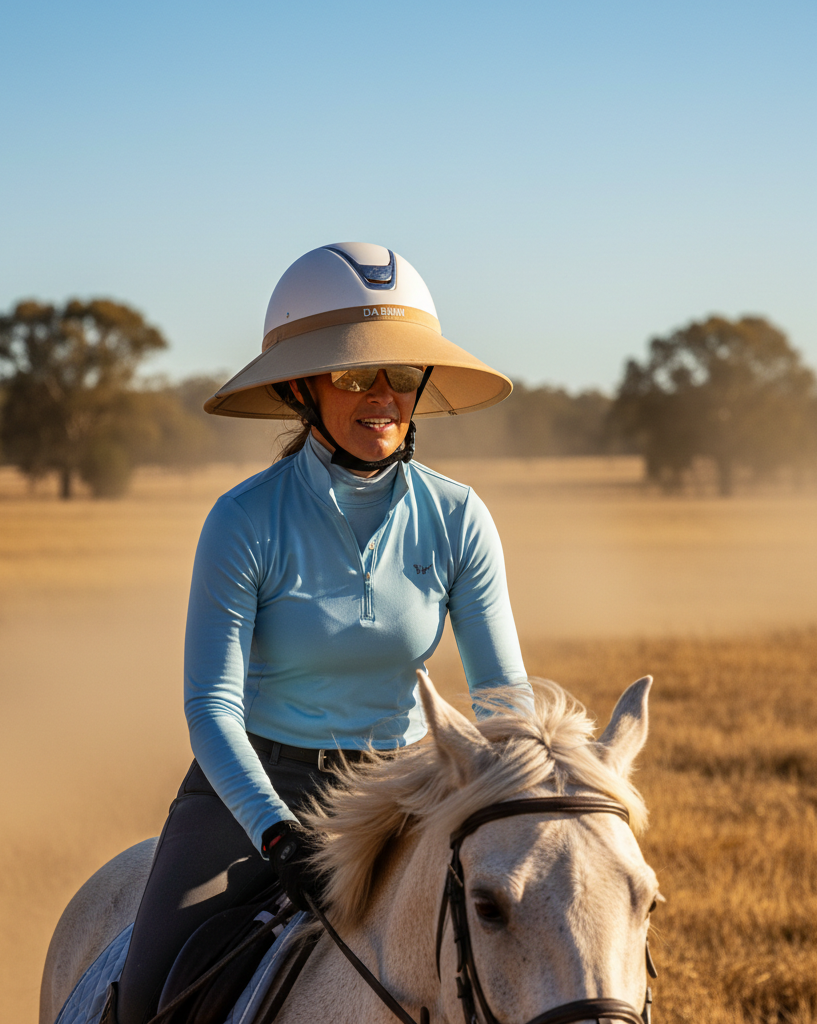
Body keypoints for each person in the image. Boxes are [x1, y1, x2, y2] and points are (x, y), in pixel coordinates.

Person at [113, 242, 530, 1024]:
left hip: (409, 790)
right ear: (304, 387)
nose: (382, 396)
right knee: (146, 1002)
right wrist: (275, 835)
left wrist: (528, 798)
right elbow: (211, 707)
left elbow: (505, 701)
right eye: (352, 374)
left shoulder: (459, 518)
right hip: (257, 794)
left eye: (402, 375)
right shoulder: (243, 520)